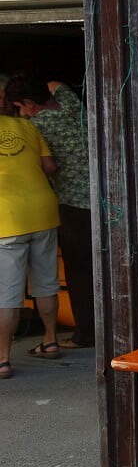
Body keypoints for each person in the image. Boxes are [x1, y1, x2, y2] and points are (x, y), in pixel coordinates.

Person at [5, 76, 94, 349]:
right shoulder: (71, 105)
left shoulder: (37, 125)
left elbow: (48, 166)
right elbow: (56, 84)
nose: (22, 112)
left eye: (21, 106)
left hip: (73, 204)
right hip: (104, 199)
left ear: (30, 103)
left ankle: (85, 334)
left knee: (79, 271)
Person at [0, 113, 62, 378]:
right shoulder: (25, 125)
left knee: (7, 294)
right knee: (46, 282)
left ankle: (3, 359)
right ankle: (50, 341)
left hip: (6, 218)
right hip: (42, 210)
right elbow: (49, 166)